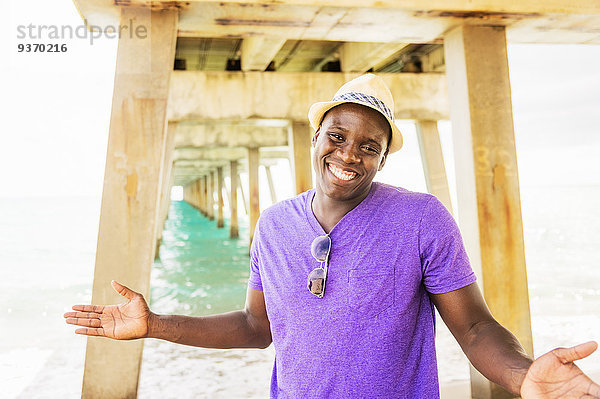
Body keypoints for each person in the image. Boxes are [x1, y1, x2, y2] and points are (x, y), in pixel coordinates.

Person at [65, 74, 599, 398]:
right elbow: (257, 328)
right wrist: (156, 323)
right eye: (338, 137)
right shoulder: (273, 225)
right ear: (315, 138)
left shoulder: (421, 218)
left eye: (369, 146)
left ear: (383, 158)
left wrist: (523, 376)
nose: (349, 155)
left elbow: (477, 327)